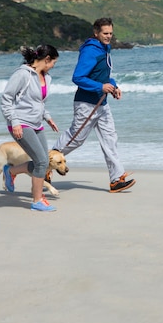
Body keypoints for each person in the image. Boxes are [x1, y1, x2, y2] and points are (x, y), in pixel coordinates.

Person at [52, 17, 136, 193]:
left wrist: (113, 86)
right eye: (105, 33)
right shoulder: (90, 50)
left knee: (110, 139)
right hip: (86, 104)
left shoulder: (105, 48)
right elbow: (78, 77)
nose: (108, 36)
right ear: (96, 33)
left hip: (102, 104)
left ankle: (116, 179)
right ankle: (46, 162)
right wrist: (100, 86)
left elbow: (103, 75)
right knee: (76, 139)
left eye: (111, 33)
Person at [0, 44, 60, 211]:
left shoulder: (47, 78)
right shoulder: (22, 74)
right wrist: (14, 121)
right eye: (53, 62)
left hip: (37, 123)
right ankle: (37, 201)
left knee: (43, 161)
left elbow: (38, 103)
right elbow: (7, 99)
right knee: (41, 161)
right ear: (46, 60)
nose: (53, 66)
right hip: (20, 123)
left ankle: (11, 171)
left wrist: (47, 118)